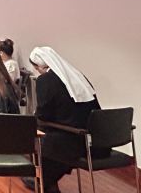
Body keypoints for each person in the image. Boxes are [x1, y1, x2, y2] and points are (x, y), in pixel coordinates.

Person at [23, 47, 104, 193]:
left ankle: (44, 180)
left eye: (36, 68)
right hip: (93, 141)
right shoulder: (78, 76)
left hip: (69, 140)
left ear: (39, 66)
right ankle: (47, 181)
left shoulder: (45, 80)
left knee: (33, 131)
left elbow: (43, 114)